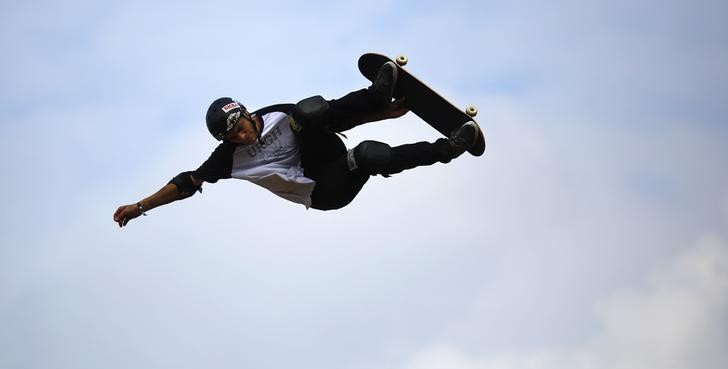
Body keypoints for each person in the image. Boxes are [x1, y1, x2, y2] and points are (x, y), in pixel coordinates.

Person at [113, 62, 480, 227]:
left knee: (307, 112)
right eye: (233, 137)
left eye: (241, 127)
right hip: (325, 190)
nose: (242, 137)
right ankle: (448, 149)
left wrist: (380, 112)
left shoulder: (275, 114)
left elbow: (332, 116)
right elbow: (186, 183)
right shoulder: (226, 159)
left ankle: (375, 94)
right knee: (369, 154)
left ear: (245, 113)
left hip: (327, 153)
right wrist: (141, 205)